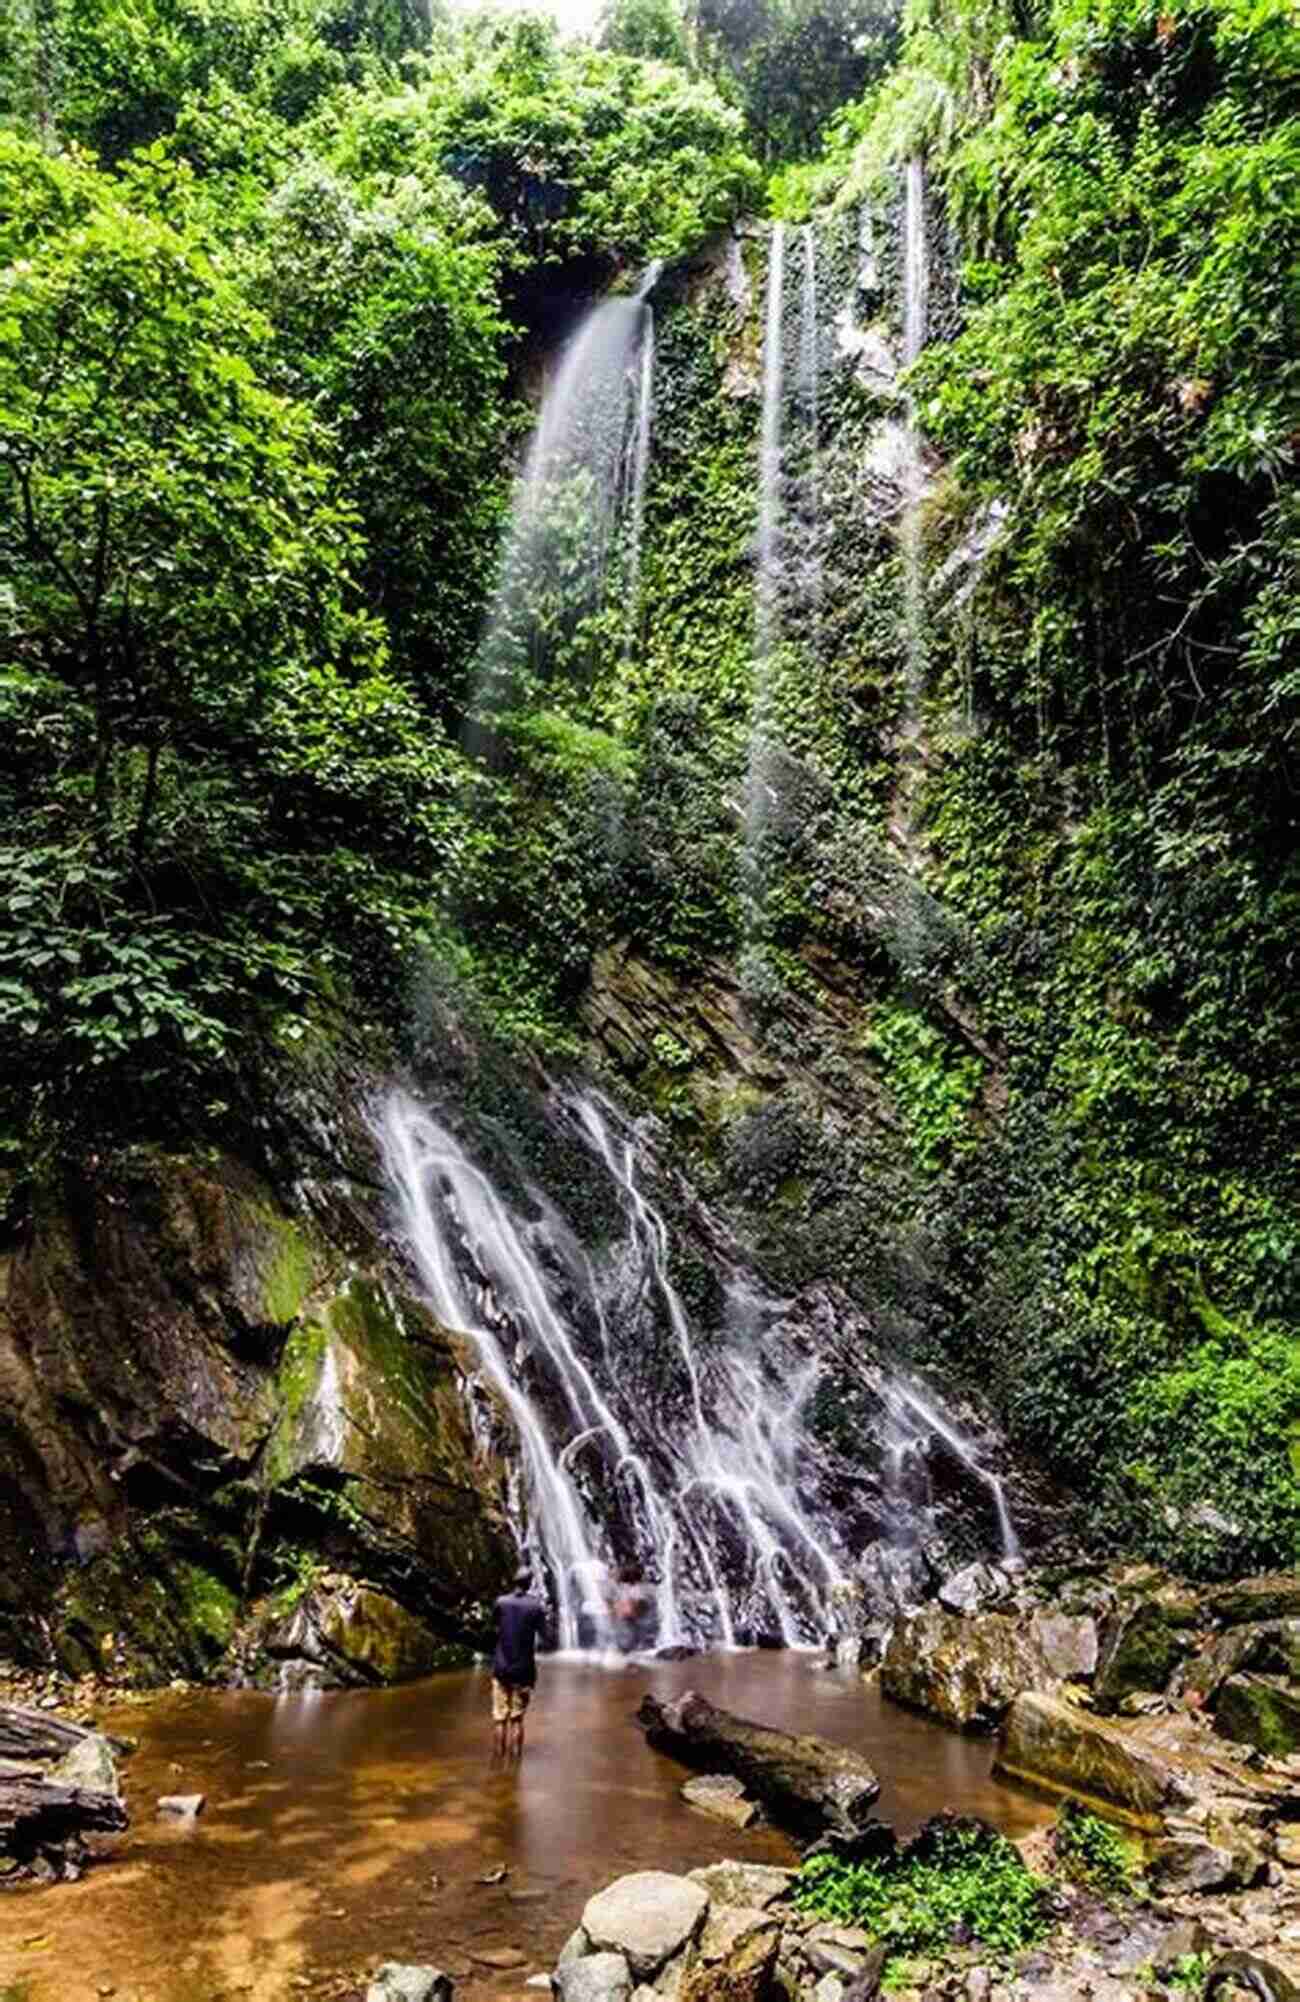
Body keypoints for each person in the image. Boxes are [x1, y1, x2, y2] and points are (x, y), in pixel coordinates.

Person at [491, 1568, 546, 1761]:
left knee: (499, 1719)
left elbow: (495, 1626)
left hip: (501, 1668)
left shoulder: (501, 1602)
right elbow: (546, 1636)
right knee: (517, 1720)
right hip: (523, 1671)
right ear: (530, 1583)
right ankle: (515, 1764)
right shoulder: (536, 1607)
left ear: (513, 1581)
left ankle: (498, 1760)